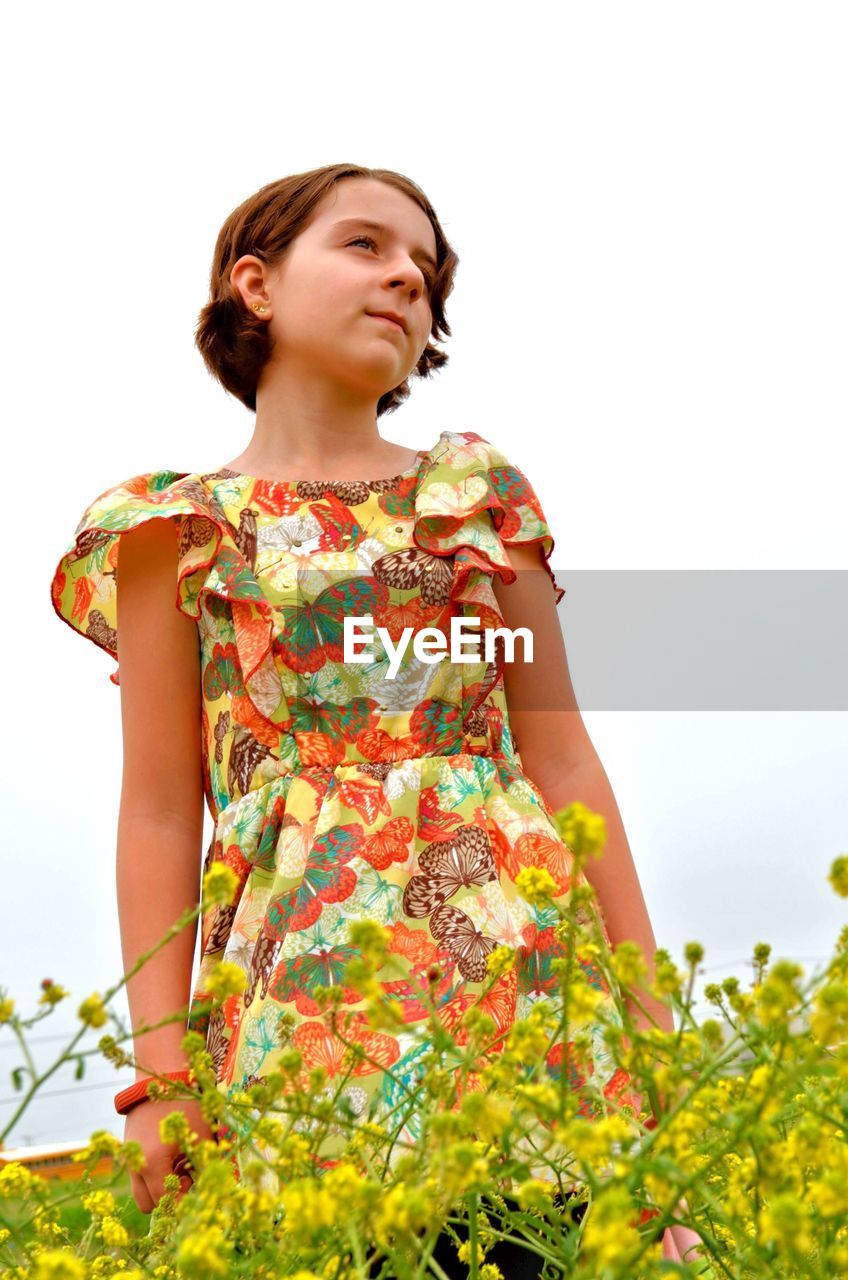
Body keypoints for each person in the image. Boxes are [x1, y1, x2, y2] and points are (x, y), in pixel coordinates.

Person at [49, 163, 702, 1268]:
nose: (406, 276)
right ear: (253, 284)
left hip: (524, 1000)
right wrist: (157, 1077)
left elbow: (562, 758)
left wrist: (652, 1039)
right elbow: (161, 808)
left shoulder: (470, 498)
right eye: (364, 246)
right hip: (298, 1037)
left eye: (426, 270)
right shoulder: (173, 528)